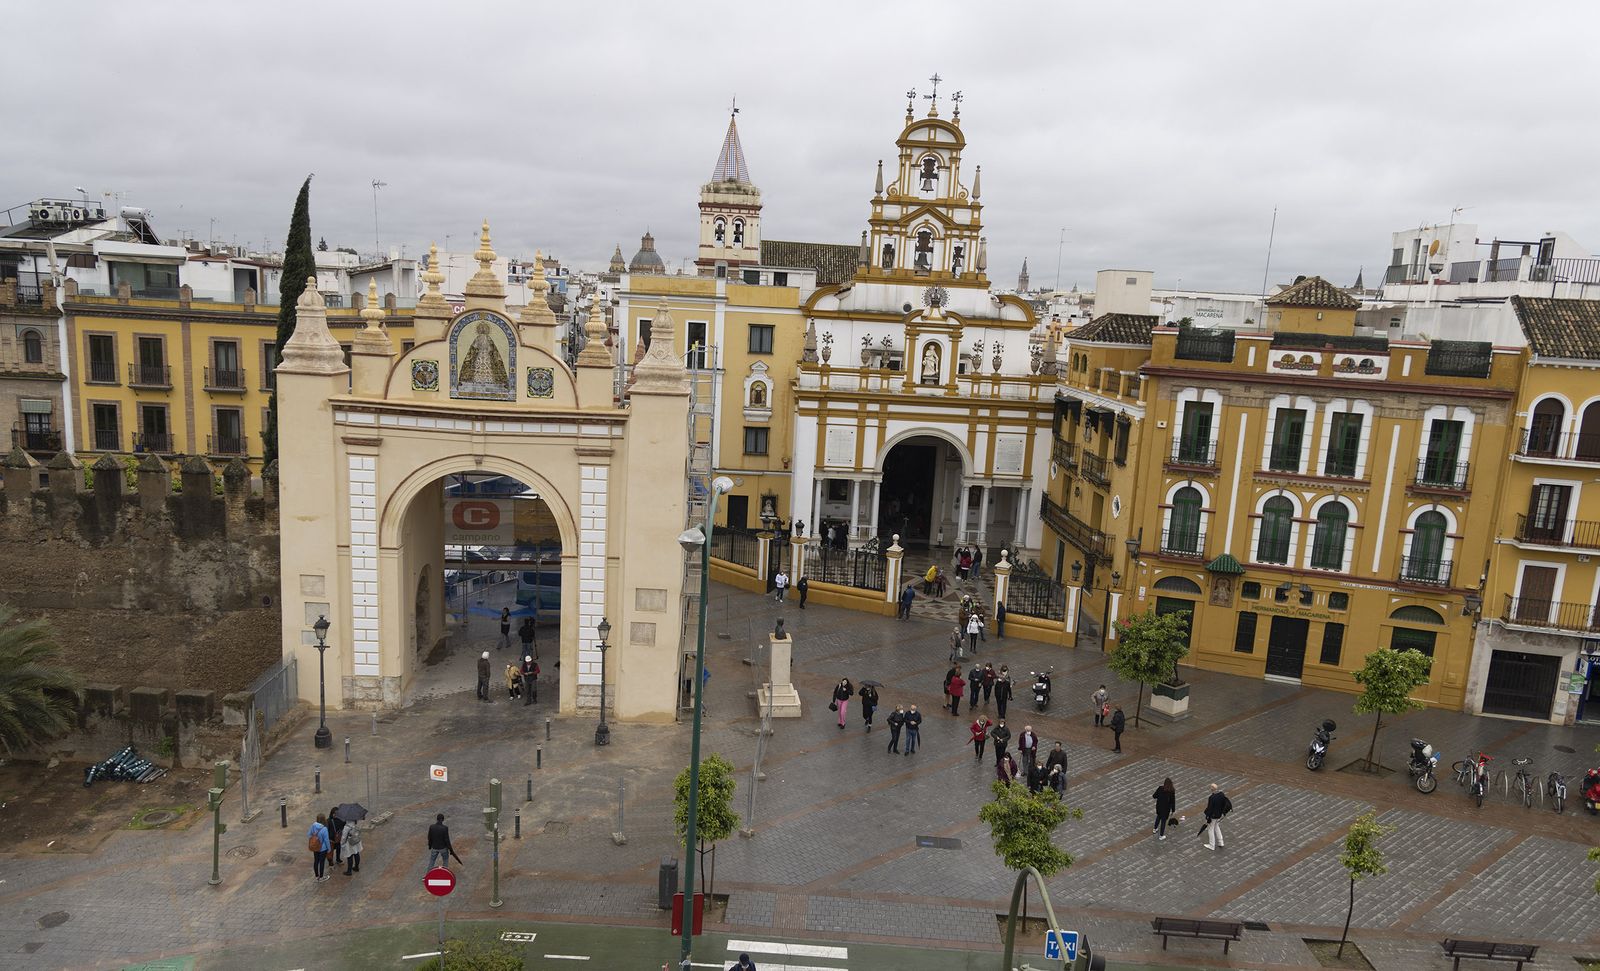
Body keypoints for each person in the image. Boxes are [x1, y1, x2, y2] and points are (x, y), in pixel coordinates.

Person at [1203, 783, 1232, 851]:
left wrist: (1208, 818)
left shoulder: (1212, 798)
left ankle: (1211, 845)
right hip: (1219, 815)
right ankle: (1220, 842)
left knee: (1210, 829)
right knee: (1216, 827)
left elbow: (1210, 809)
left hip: (1213, 816)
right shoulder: (1221, 794)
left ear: (1212, 788)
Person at [308, 814, 331, 882]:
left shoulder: (313, 826)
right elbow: (326, 840)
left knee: (316, 861)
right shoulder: (324, 829)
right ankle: (321, 877)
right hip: (323, 849)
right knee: (322, 862)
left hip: (315, 847)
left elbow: (309, 834)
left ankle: (316, 876)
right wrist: (329, 849)